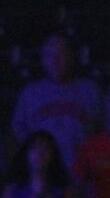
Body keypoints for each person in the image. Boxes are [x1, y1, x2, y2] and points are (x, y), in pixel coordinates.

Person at [9, 33, 101, 169]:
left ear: (71, 56)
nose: (55, 60)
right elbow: (18, 131)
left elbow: (103, 130)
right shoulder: (30, 93)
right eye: (49, 55)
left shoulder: (90, 90)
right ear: (43, 60)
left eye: (61, 54)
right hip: (44, 175)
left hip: (81, 170)